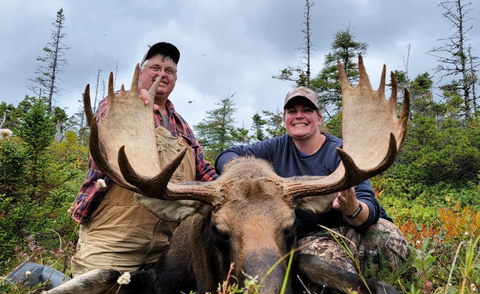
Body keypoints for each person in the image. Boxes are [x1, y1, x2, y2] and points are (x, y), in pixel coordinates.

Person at [214, 87, 409, 277]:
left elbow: (370, 208)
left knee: (388, 240)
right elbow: (227, 155)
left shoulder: (342, 152)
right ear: (285, 119)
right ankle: (351, 293)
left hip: (352, 228)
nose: (299, 115)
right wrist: (240, 169)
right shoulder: (275, 148)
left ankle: (386, 282)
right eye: (292, 111)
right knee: (325, 265)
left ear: (319, 118)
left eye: (307, 110)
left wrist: (352, 208)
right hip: (309, 237)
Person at [69, 42, 218, 276]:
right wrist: (139, 107)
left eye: (169, 71)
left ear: (175, 79)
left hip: (164, 245)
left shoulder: (182, 125)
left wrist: (227, 189)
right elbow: (110, 154)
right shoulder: (118, 106)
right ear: (140, 72)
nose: (162, 74)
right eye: (155, 67)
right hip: (114, 239)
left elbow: (204, 171)